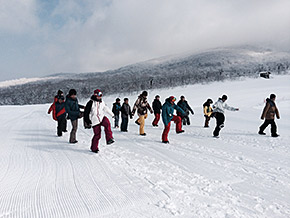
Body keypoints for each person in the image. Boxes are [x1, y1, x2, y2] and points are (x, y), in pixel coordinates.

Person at [84, 89, 115, 153]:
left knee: (107, 123)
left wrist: (112, 114)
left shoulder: (101, 102)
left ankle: (109, 138)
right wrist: (88, 120)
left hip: (101, 117)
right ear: (95, 95)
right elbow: (86, 112)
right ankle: (94, 148)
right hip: (95, 120)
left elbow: (105, 108)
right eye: (98, 96)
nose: (100, 97)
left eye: (101, 96)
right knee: (97, 135)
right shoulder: (90, 102)